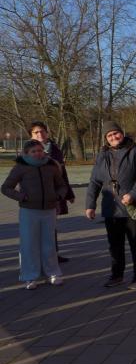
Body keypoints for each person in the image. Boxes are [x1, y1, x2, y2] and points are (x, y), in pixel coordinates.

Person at [85, 121, 136, 289]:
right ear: (106, 138)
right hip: (111, 208)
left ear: (122, 133)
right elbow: (94, 181)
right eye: (110, 135)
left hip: (132, 208)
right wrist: (90, 204)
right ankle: (117, 275)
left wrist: (133, 194)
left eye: (116, 133)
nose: (114, 137)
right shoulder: (102, 155)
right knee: (115, 246)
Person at [2, 139, 68, 289]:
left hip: (49, 210)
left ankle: (52, 273)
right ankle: (30, 277)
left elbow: (61, 185)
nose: (38, 153)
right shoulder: (20, 167)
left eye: (40, 150)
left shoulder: (51, 166)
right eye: (33, 151)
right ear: (26, 153)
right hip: (29, 211)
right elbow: (6, 188)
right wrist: (22, 197)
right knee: (29, 244)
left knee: (49, 243)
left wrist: (58, 196)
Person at [28, 121, 75, 263]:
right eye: (36, 132)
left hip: (53, 194)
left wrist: (69, 193)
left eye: (42, 131)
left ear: (47, 132)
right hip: (35, 196)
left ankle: (53, 254)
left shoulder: (55, 149)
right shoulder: (27, 150)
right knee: (36, 228)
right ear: (31, 135)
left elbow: (62, 173)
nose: (40, 134)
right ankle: (37, 257)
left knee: (51, 225)